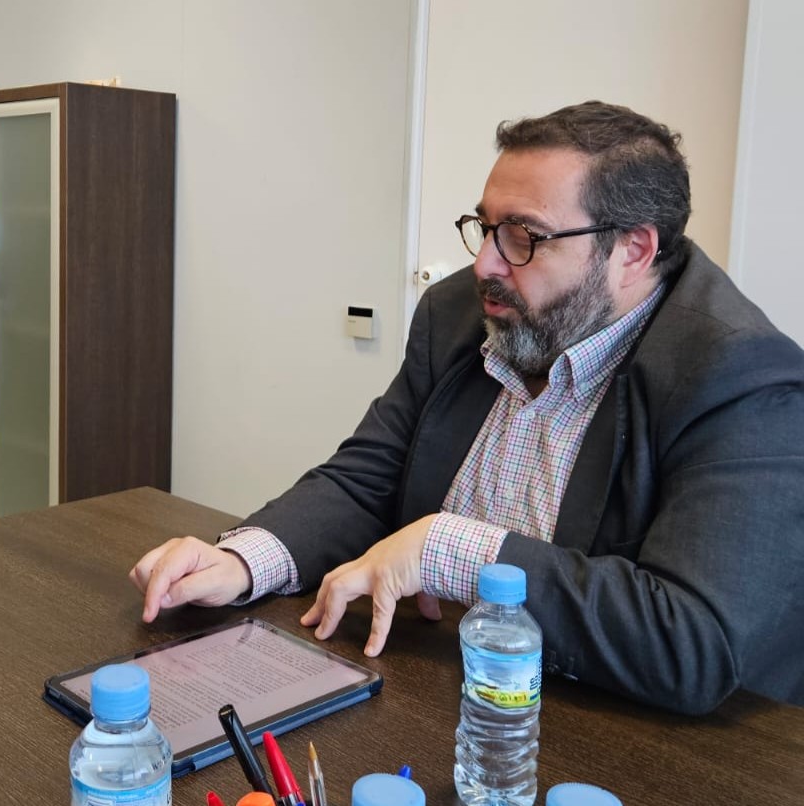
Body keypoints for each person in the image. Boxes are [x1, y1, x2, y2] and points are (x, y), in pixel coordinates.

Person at [131, 101, 804, 715]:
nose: (485, 263)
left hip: (640, 740)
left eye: (524, 237)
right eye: (484, 227)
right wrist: (247, 561)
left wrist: (449, 548)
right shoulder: (459, 313)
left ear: (632, 250)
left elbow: (692, 641)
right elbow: (367, 477)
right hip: (442, 691)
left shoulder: (743, 378)